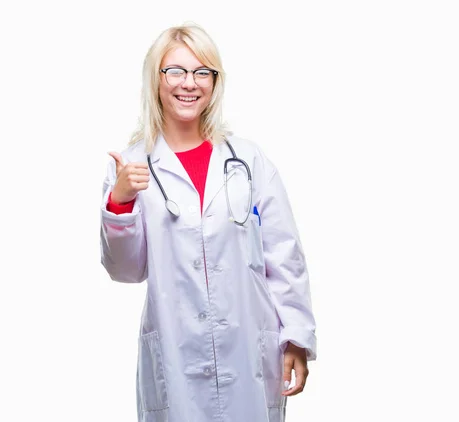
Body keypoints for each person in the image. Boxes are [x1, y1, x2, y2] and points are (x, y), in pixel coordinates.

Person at [99, 22, 317, 422]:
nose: (190, 83)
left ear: (215, 82)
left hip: (250, 351)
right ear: (156, 79)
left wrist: (296, 339)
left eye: (203, 72)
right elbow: (126, 271)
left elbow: (285, 256)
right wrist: (121, 201)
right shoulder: (133, 166)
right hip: (176, 354)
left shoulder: (247, 161)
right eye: (176, 71)